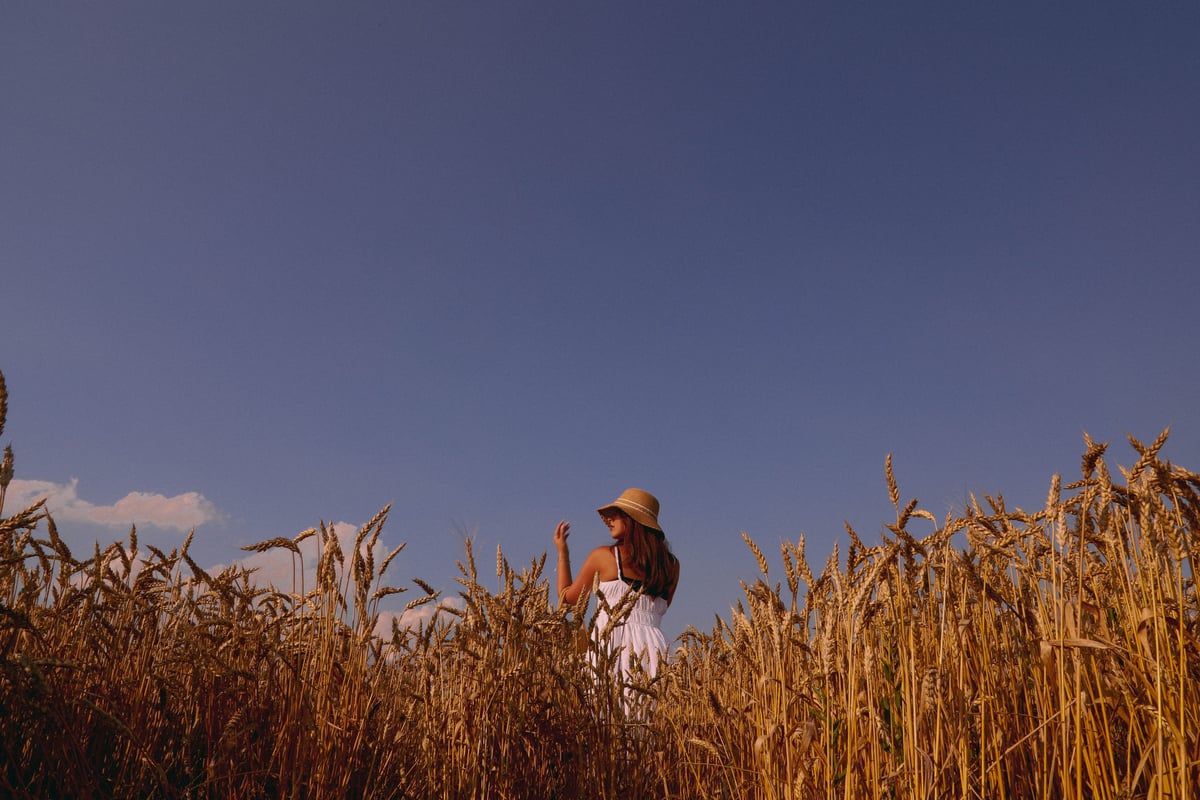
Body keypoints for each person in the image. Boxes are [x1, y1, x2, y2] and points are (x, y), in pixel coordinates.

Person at [553, 488, 680, 681]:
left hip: (612, 648)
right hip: (657, 655)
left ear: (632, 520)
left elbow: (568, 599)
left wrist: (563, 554)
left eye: (616, 515)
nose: (609, 521)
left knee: (606, 709)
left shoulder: (604, 557)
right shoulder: (671, 566)